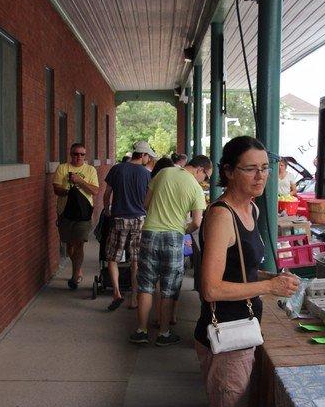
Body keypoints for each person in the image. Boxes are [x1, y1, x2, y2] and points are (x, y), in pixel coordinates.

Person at [193, 136, 299, 407]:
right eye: (250, 169)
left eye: (265, 168)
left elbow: (240, 272)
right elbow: (211, 288)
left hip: (242, 330)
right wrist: (268, 290)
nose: (261, 176)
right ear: (228, 172)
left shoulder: (250, 209)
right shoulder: (221, 216)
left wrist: (272, 279)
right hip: (227, 338)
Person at [130, 155, 212, 346]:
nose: (205, 181)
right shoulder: (196, 189)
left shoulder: (163, 172)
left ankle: (141, 330)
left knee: (146, 285)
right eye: (206, 177)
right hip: (174, 237)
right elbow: (197, 222)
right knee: (169, 288)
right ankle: (163, 333)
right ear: (200, 170)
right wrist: (182, 230)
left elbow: (146, 204)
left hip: (150, 233)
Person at [102, 140, 154, 311]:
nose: (149, 159)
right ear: (143, 155)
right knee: (136, 260)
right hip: (139, 219)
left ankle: (117, 292)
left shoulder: (117, 168)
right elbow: (149, 199)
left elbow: (107, 193)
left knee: (112, 258)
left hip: (119, 218)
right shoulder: (147, 174)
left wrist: (106, 209)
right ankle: (133, 298)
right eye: (148, 156)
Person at [52, 143, 99, 289]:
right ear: (70, 154)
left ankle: (75, 275)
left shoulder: (90, 170)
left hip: (83, 214)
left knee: (79, 244)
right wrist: (69, 191)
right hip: (65, 212)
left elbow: (95, 191)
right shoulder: (62, 168)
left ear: (85, 156)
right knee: (69, 245)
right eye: (75, 154)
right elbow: (56, 189)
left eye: (82, 154)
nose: (78, 157)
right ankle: (77, 268)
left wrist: (79, 181)